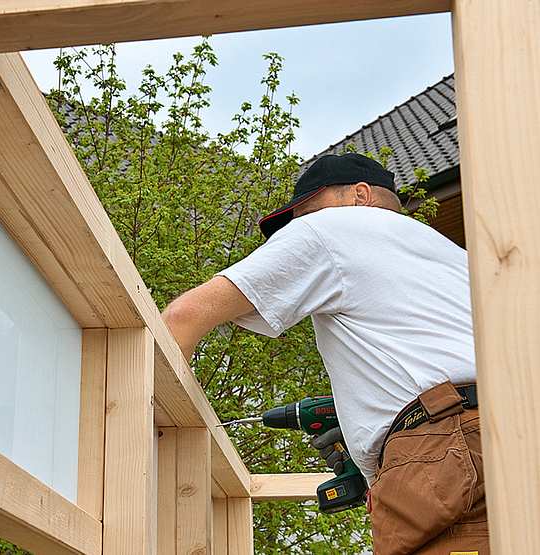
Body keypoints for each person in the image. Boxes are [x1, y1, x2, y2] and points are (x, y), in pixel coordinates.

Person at [161, 153, 488, 554]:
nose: (300, 226)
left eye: (307, 212)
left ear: (360, 195)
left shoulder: (332, 228)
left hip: (445, 443)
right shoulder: (453, 256)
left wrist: (161, 434)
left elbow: (183, 317)